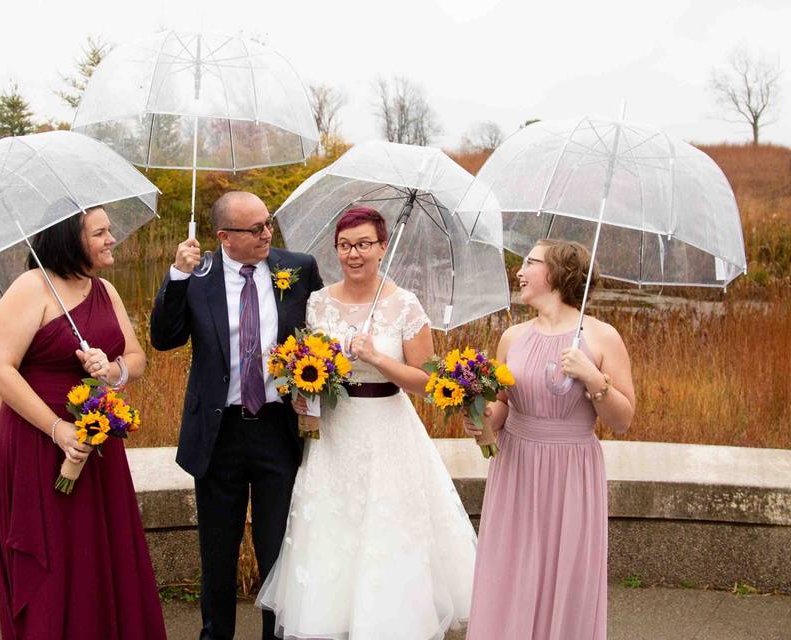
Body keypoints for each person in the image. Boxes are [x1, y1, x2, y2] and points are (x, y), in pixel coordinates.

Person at [257, 206, 478, 640]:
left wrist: (377, 357)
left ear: (381, 248)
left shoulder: (405, 305)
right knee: (332, 531)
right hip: (334, 435)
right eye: (345, 245)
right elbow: (309, 367)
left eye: (363, 244)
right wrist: (304, 395)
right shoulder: (318, 302)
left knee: (387, 529)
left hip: (388, 430)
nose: (353, 254)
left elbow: (428, 383)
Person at [0, 207, 167, 640]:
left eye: (109, 230)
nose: (111, 238)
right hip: (37, 443)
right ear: (70, 239)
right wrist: (57, 429)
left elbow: (137, 360)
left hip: (97, 440)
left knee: (98, 555)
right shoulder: (31, 288)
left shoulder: (105, 290)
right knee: (54, 560)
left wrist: (112, 369)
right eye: (100, 232)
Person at [150, 191, 323, 640]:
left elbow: (323, 337)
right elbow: (164, 338)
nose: (267, 234)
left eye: (268, 224)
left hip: (277, 430)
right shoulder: (198, 275)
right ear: (224, 237)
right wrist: (177, 276)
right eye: (255, 229)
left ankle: (278, 634)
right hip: (217, 433)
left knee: (277, 551)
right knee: (218, 553)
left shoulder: (298, 268)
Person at [465, 240, 635, 640]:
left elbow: (623, 419)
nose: (520, 271)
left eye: (530, 263)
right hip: (516, 467)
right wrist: (485, 418)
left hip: (572, 472)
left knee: (567, 572)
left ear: (558, 274)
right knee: (510, 570)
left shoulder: (602, 337)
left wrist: (594, 379)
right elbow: (505, 402)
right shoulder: (512, 337)